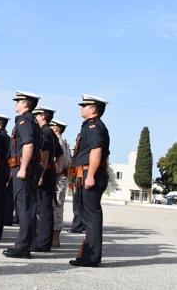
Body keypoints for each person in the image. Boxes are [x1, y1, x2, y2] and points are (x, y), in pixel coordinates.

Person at [69, 94, 110, 268]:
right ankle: (88, 255)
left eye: (84, 105)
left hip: (89, 174)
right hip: (86, 173)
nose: (81, 108)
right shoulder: (91, 125)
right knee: (88, 217)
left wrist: (91, 175)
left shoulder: (93, 126)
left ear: (93, 109)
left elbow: (96, 150)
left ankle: (91, 257)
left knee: (91, 217)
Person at [3, 91, 42, 259]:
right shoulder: (31, 120)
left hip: (24, 165)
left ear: (25, 104)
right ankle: (28, 243)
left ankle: (22, 246)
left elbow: (28, 144)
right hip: (30, 166)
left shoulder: (24, 120)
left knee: (24, 207)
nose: (16, 104)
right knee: (28, 206)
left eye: (18, 101)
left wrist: (23, 168)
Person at [31, 106, 63, 252]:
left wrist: (41, 175)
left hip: (44, 174)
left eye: (37, 115)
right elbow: (60, 156)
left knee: (43, 208)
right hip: (50, 173)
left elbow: (44, 156)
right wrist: (56, 169)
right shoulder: (51, 133)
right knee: (46, 207)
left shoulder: (44, 132)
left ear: (43, 116)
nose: (35, 117)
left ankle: (43, 243)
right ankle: (45, 241)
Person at [50, 119, 71, 247]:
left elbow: (58, 165)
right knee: (57, 207)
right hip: (60, 177)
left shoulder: (57, 141)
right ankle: (54, 238)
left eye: (52, 126)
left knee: (56, 207)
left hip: (58, 178)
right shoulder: (63, 142)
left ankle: (55, 238)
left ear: (57, 128)